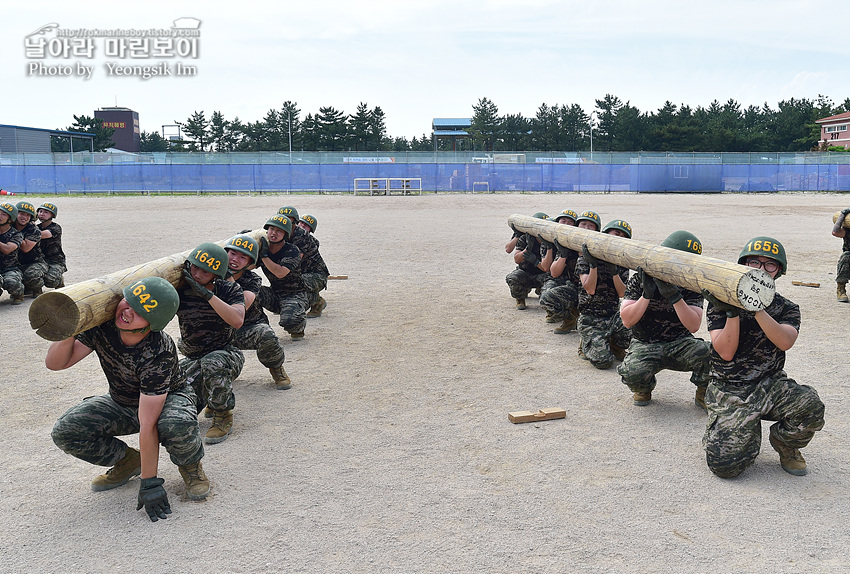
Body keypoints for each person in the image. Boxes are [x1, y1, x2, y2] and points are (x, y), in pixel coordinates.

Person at [48, 277, 210, 523]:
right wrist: (70, 327)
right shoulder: (103, 326)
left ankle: (190, 466)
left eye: (141, 310)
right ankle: (127, 461)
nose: (127, 310)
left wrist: (150, 481)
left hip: (169, 398)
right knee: (67, 430)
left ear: (152, 324)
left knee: (174, 425)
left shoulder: (158, 349)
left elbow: (147, 423)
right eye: (128, 301)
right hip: (123, 402)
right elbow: (57, 363)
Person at [702, 237, 824, 477]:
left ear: (779, 271)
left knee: (811, 406)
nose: (761, 269)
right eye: (755, 262)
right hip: (730, 388)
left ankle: (785, 444)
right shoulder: (720, 301)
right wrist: (733, 312)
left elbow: (785, 341)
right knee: (725, 467)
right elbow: (726, 352)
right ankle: (738, 427)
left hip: (769, 384)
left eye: (770, 265)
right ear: (744, 264)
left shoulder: (786, 307)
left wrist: (757, 306)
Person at [618, 231, 711, 408]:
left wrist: (674, 296)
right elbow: (627, 320)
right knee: (632, 371)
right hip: (645, 343)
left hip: (680, 342)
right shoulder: (641, 278)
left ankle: (703, 392)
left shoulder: (691, 283)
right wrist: (646, 295)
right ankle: (643, 387)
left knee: (710, 354)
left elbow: (693, 325)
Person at [176, 242, 246, 445]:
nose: (197, 274)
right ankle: (209, 397)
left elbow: (237, 320)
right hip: (193, 358)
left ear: (217, 274)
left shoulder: (229, 289)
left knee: (212, 362)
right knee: (176, 398)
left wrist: (208, 295)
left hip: (225, 355)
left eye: (205, 271)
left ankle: (223, 415)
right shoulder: (182, 291)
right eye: (194, 267)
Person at [224, 234, 292, 391]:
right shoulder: (211, 274)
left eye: (243, 257)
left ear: (250, 263)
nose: (235, 259)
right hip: (221, 331)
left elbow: (243, 306)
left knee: (265, 334)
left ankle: (276, 368)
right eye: (232, 253)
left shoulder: (252, 279)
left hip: (247, 328)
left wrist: (227, 276)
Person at [574, 215, 632, 370]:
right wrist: (593, 266)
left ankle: (615, 345)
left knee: (636, 328)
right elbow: (590, 289)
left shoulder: (621, 263)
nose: (618, 237)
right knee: (603, 362)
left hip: (612, 315)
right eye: (615, 233)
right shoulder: (585, 258)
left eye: (622, 236)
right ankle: (585, 344)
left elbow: (622, 293)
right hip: (590, 317)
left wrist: (614, 273)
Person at [257, 214, 309, 340]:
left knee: (290, 322)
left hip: (295, 295)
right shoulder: (264, 248)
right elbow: (248, 267)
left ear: (285, 234)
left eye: (279, 231)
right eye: (271, 229)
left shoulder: (292, 250)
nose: (274, 233)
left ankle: (298, 326)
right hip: (275, 294)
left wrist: (264, 256)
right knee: (249, 292)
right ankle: (259, 327)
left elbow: (280, 273)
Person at [539, 209, 581, 333]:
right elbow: (550, 270)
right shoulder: (553, 240)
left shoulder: (577, 241)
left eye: (570, 222)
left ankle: (576, 312)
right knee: (547, 296)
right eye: (563, 221)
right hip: (559, 279)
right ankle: (569, 318)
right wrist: (551, 248)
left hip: (580, 284)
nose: (566, 224)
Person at [505, 212, 553, 310]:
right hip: (526, 271)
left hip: (543, 273)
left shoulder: (549, 241)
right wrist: (527, 249)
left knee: (553, 281)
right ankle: (520, 298)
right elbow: (517, 259)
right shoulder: (525, 237)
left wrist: (535, 261)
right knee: (514, 278)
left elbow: (546, 268)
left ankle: (541, 291)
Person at [297, 214, 331, 318]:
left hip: (317, 276)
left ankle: (317, 302)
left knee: (294, 283)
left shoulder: (309, 241)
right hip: (305, 274)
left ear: (310, 230)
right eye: (301, 222)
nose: (302, 226)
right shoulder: (293, 237)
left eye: (306, 225)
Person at [13, 200, 47, 298]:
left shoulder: (34, 230)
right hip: (14, 263)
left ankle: (37, 287)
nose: (24, 217)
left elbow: (26, 248)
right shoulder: (8, 226)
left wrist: (14, 233)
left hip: (34, 262)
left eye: (28, 215)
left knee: (31, 275)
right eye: (21, 214)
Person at [37, 201, 67, 289]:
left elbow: (43, 235)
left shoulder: (56, 228)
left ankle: (59, 281)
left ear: (52, 215)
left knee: (50, 280)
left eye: (46, 212)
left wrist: (29, 227)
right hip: (41, 260)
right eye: (40, 211)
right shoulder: (36, 228)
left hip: (56, 261)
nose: (42, 214)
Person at [0, 202, 25, 305]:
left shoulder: (16, 234)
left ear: (10, 219)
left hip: (10, 269)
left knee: (11, 283)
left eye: (4, 214)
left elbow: (7, 249)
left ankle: (19, 293)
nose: (0, 216)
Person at [831, 207, 850, 302]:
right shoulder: (848, 230)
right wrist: (842, 214)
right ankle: (841, 289)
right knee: (846, 256)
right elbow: (835, 232)